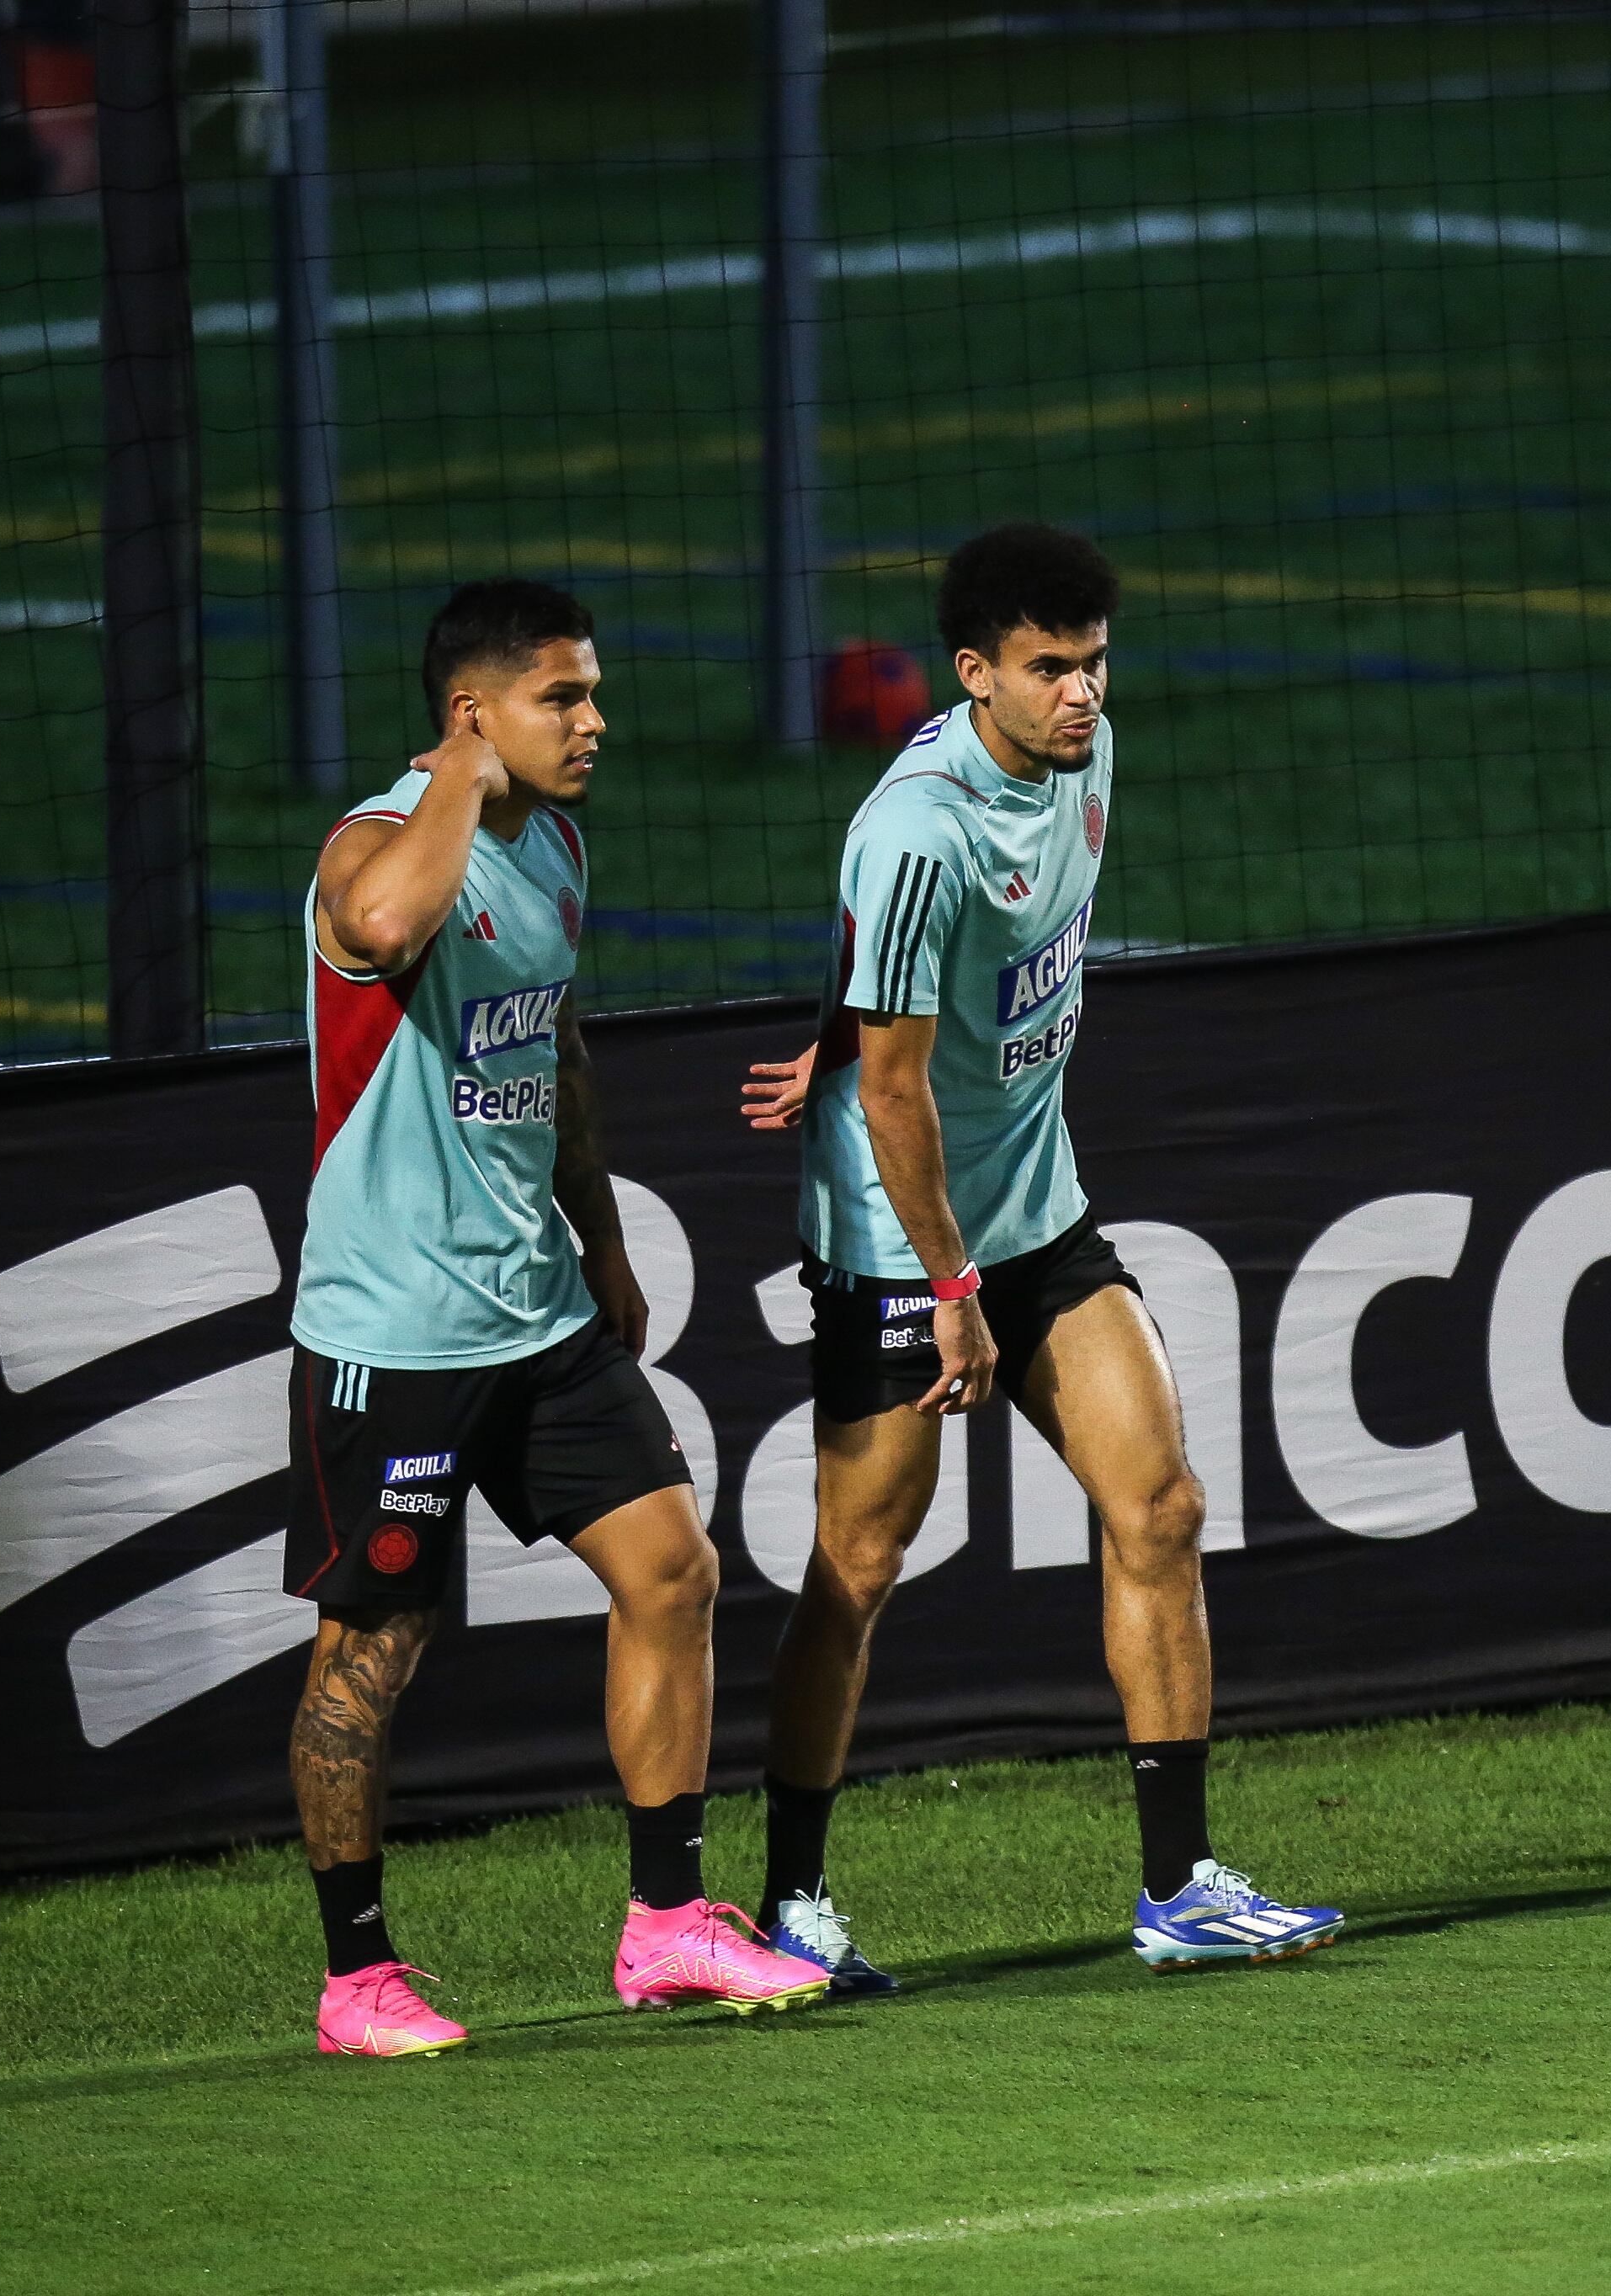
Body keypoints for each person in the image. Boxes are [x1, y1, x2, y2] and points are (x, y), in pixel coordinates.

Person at [737, 524, 1338, 1988]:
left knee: (1162, 1507)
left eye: (1095, 664)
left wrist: (830, 1036)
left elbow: (899, 984)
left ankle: (1179, 1886)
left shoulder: (1087, 756)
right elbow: (896, 1093)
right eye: (1049, 668)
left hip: (1037, 1207)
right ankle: (789, 1903)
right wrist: (951, 1288)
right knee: (860, 1563)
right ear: (974, 674)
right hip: (902, 1238)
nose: (1082, 694)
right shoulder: (916, 828)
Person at [287, 579, 830, 2056]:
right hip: (397, 1331)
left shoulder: (556, 846)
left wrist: (599, 1238)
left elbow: (559, 1052)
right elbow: (383, 926)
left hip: (540, 1312)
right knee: (371, 1653)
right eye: (562, 698)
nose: (596, 722)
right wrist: (459, 780)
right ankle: (357, 1981)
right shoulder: (369, 845)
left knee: (673, 1570)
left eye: (593, 693)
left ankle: (666, 1924)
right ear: (474, 712)